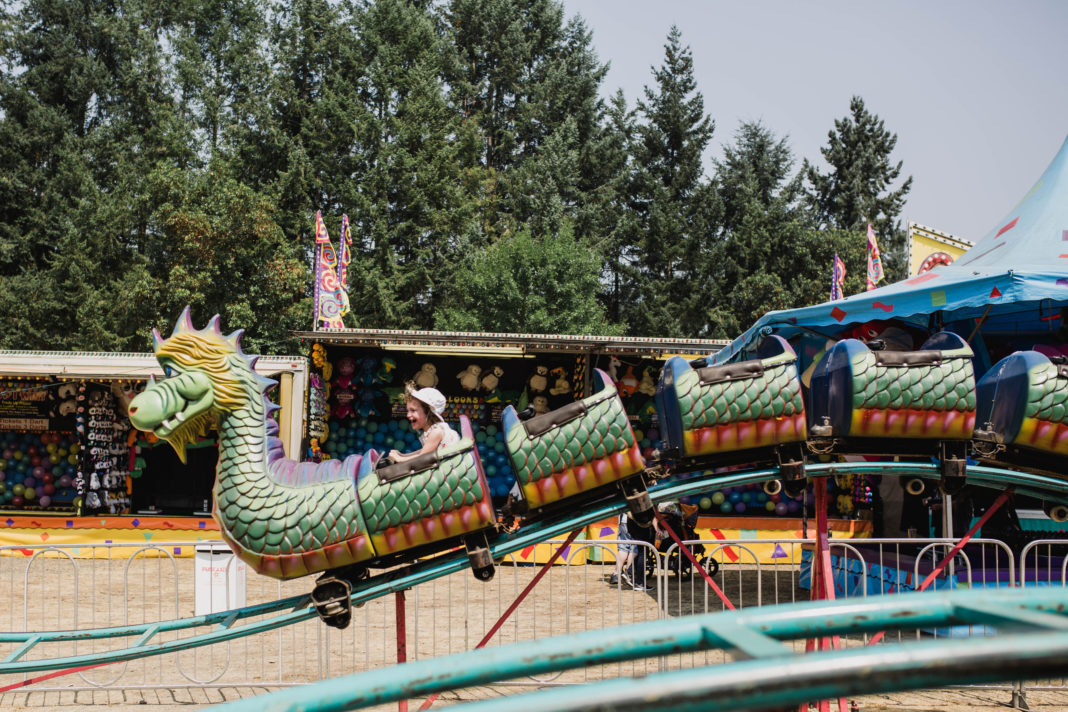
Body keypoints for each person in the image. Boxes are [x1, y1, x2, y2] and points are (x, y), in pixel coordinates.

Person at [387, 384, 459, 463]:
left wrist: (400, 459)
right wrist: (403, 455)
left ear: (428, 412)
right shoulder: (432, 431)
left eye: (413, 410)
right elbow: (423, 452)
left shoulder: (436, 432)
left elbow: (422, 458)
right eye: (408, 411)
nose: (408, 415)